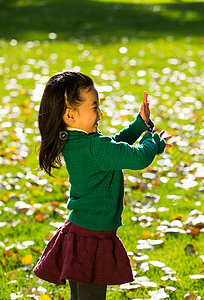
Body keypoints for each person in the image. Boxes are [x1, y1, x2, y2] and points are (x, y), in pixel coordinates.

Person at [33, 71, 170, 299]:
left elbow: (114, 148)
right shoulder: (93, 146)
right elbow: (137, 158)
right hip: (91, 237)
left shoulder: (76, 141)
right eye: (94, 107)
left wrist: (138, 126)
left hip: (81, 231)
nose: (100, 113)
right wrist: (151, 139)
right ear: (70, 115)